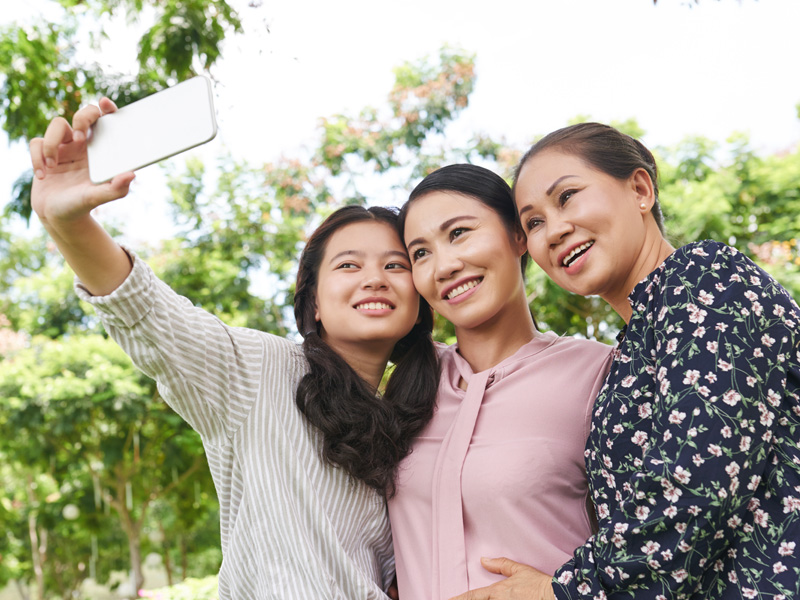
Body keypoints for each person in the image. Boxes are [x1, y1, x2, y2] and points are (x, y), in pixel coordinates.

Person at [28, 98, 439, 599]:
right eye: (349, 266)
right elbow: (150, 314)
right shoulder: (259, 371)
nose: (375, 278)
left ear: (420, 303)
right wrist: (69, 225)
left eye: (396, 266)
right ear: (312, 305)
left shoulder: (424, 420)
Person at [456, 121, 800, 600]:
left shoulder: (703, 277)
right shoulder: (630, 351)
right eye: (533, 222)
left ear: (640, 189)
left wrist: (558, 591)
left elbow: (695, 488)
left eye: (567, 197)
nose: (553, 230)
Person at [387, 163, 614, 600]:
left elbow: (657, 544)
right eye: (420, 253)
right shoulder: (408, 387)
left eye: (459, 233)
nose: (444, 266)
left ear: (518, 235)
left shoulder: (599, 373)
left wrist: (561, 592)